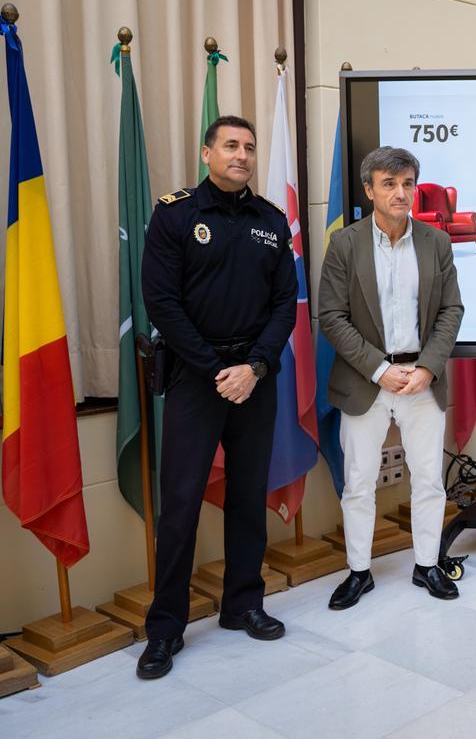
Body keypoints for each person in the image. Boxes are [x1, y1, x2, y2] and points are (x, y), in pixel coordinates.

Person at [137, 116, 297, 679]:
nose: (243, 155)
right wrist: (217, 370)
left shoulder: (271, 222)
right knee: (180, 504)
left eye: (250, 148)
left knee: (248, 495)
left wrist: (253, 367)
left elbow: (285, 304)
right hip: (195, 378)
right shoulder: (176, 214)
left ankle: (243, 604)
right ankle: (165, 629)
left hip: (255, 378)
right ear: (207, 152)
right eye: (231, 145)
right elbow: (160, 301)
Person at [318, 146, 464, 609]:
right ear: (369, 190)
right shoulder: (345, 244)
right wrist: (381, 370)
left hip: (423, 379)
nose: (400, 193)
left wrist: (427, 367)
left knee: (428, 479)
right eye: (389, 184)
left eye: (406, 184)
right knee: (359, 481)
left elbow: (451, 310)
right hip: (368, 380)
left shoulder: (435, 242)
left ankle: (426, 565)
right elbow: (332, 316)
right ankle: (359, 572)